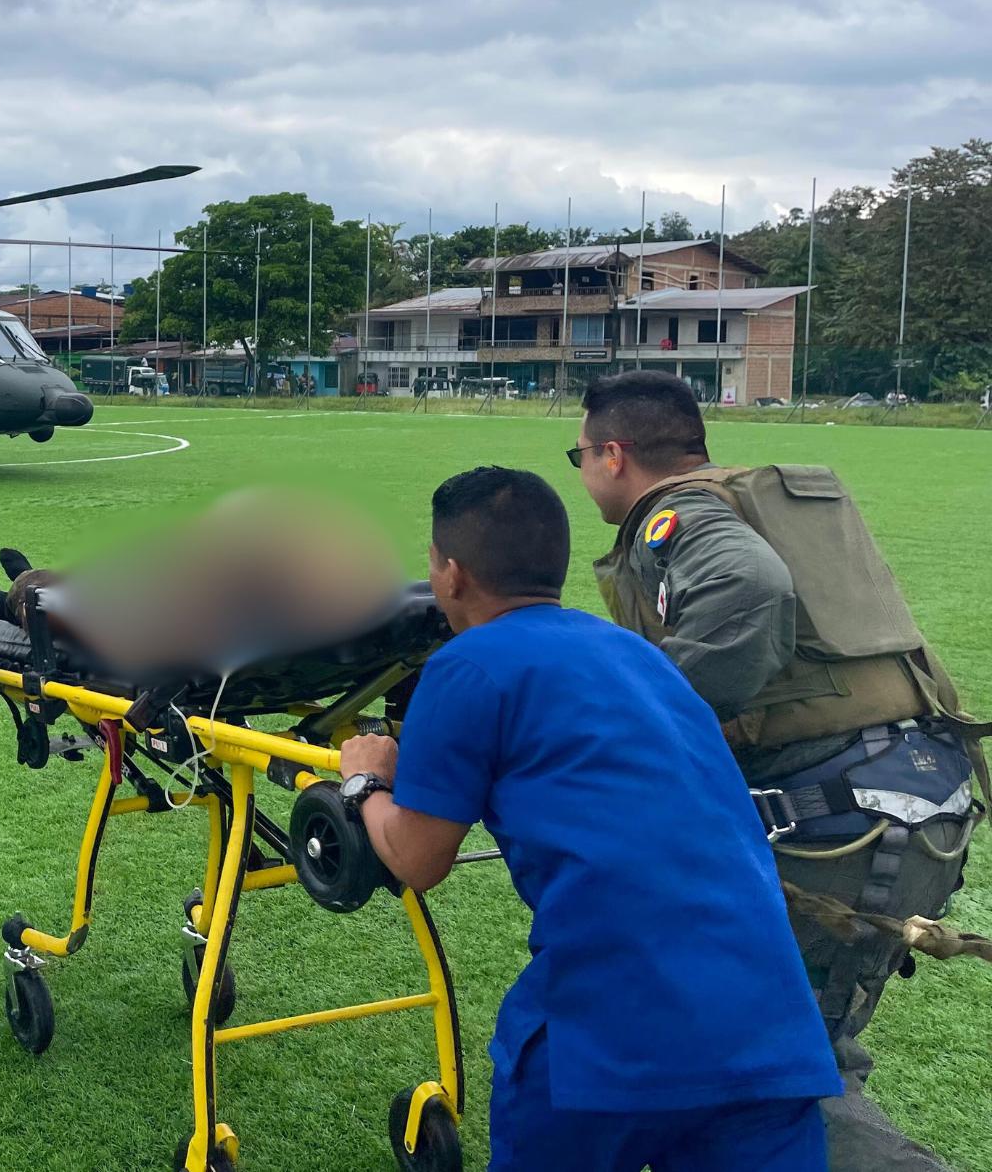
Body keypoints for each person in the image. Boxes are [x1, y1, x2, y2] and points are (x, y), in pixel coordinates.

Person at [339, 467, 838, 1172]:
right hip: (768, 1026)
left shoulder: (469, 665)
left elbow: (418, 859)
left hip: (610, 1031)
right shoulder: (643, 658)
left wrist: (366, 779)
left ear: (450, 573)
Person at [574, 370, 980, 1172]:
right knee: (797, 1045)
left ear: (613, 454)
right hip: (911, 802)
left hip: (847, 823)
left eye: (579, 453)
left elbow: (748, 589)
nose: (583, 470)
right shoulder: (737, 499)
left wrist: (640, 722)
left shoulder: (678, 514)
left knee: (771, 1073)